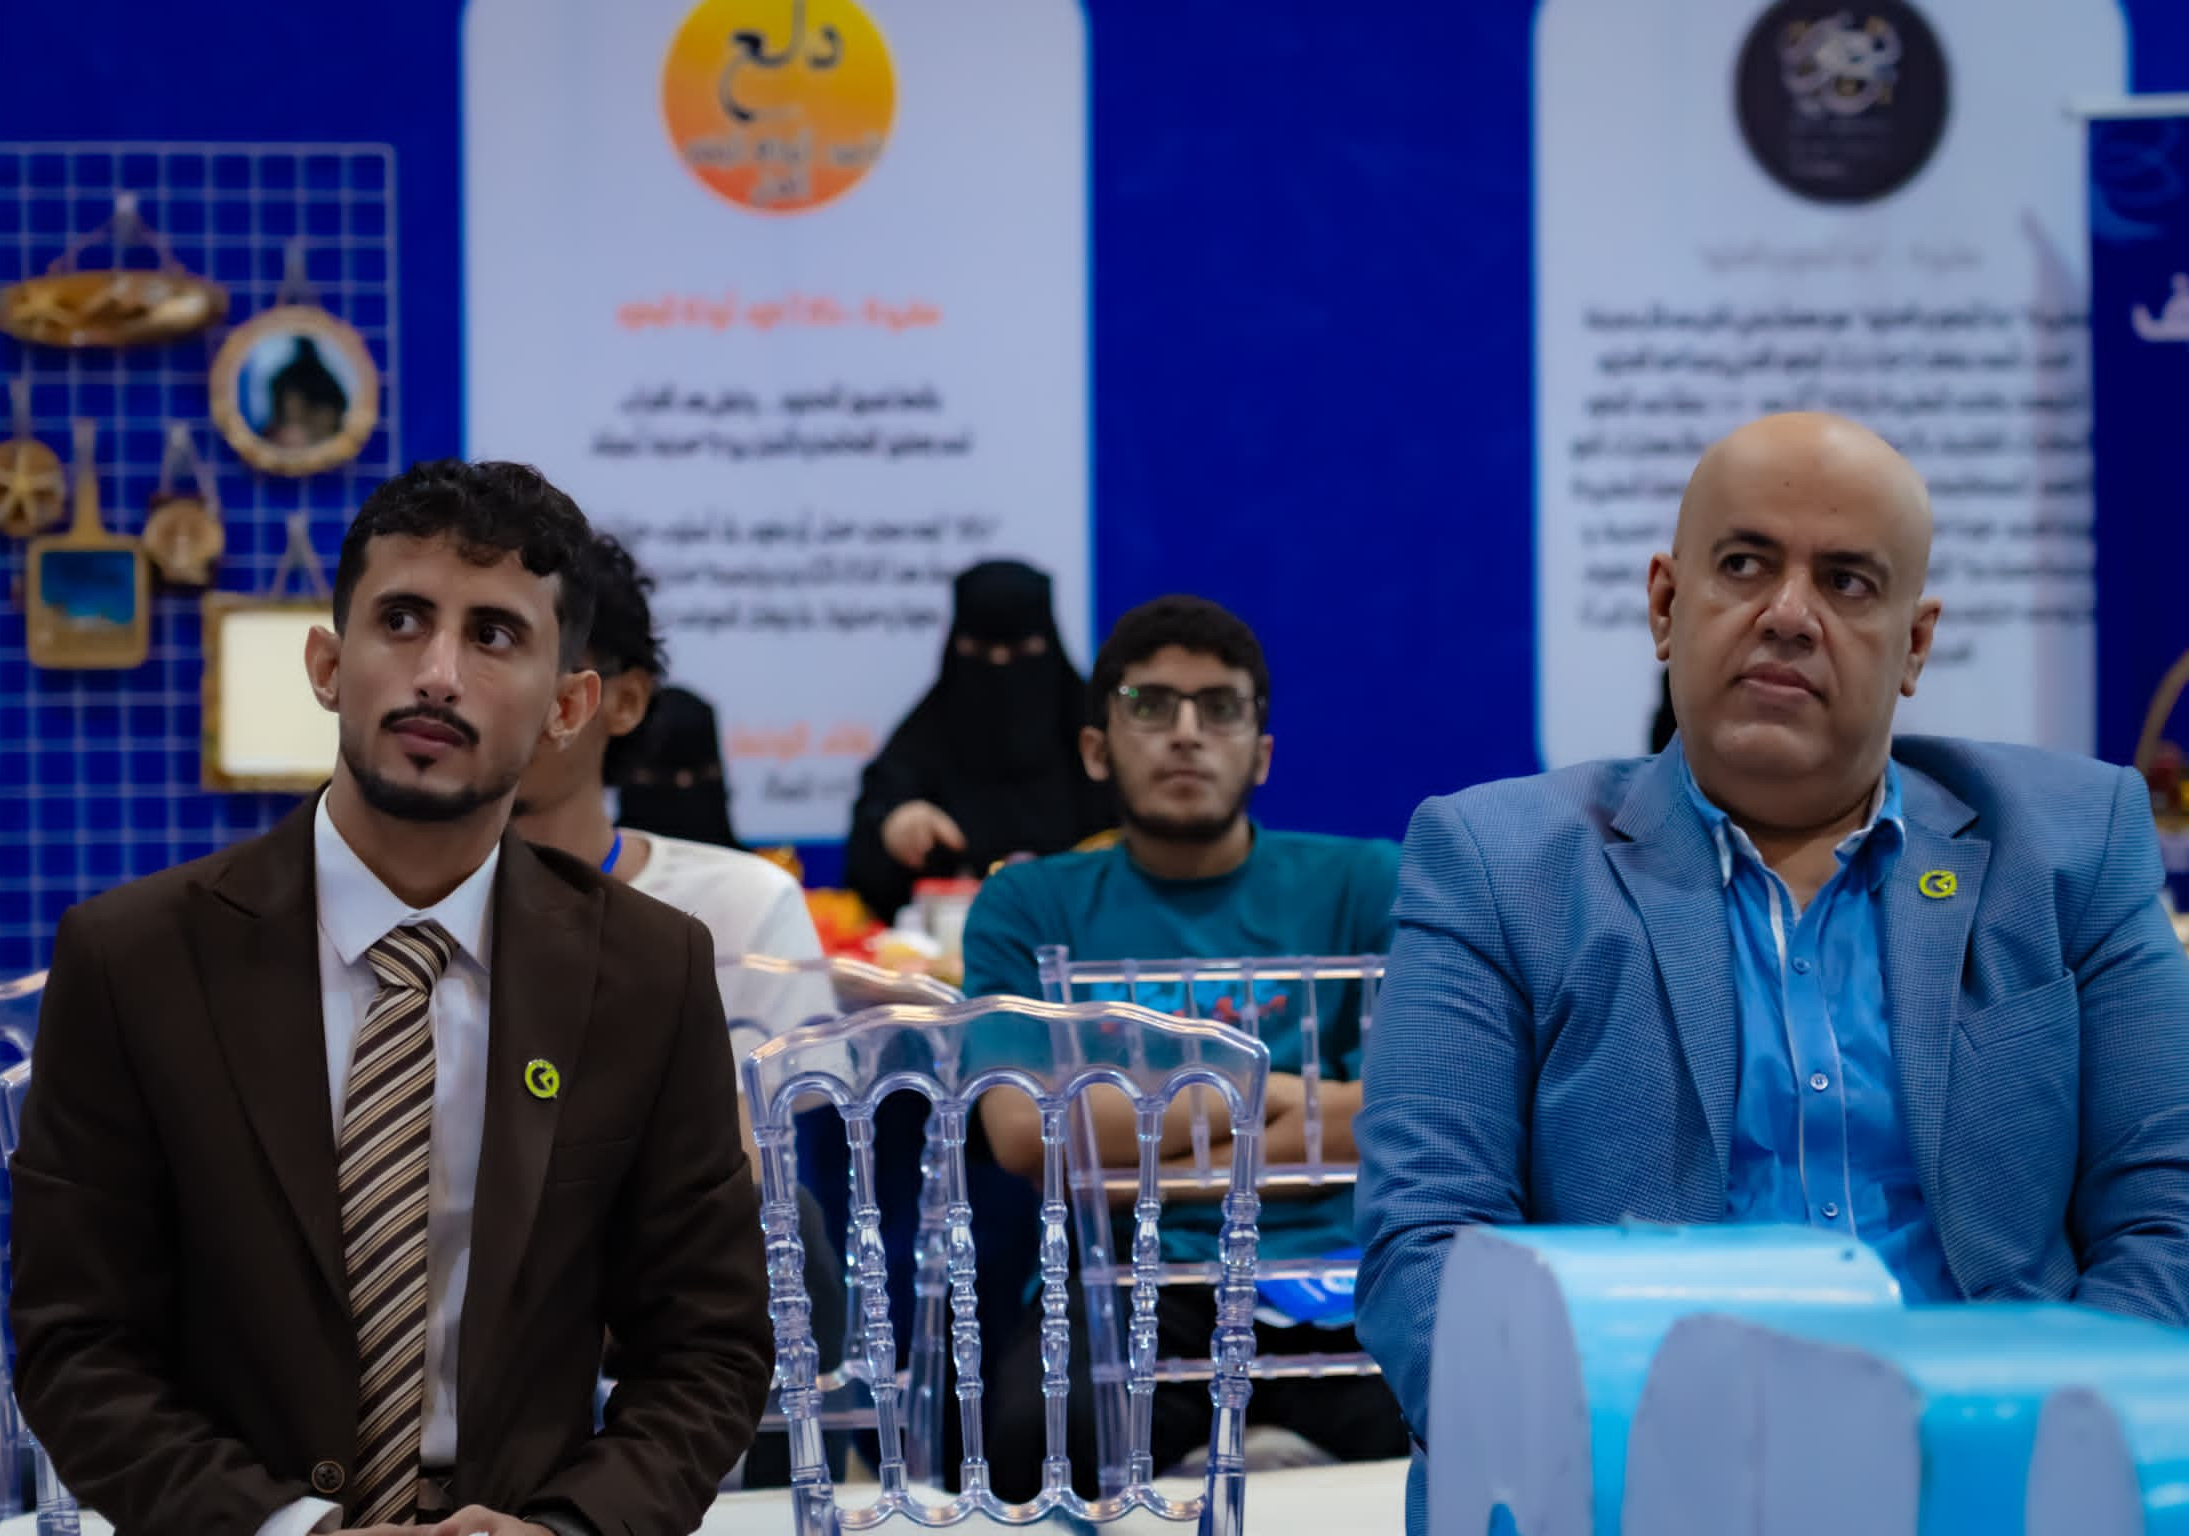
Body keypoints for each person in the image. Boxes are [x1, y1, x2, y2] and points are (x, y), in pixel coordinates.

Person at [1355, 412, 2189, 1531]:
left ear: (1915, 645)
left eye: (1847, 583)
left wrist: (2040, 1472)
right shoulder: (1499, 866)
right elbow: (1427, 1253)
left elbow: (2168, 1211)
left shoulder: (2072, 848)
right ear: (1666, 603)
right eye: (1745, 564)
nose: (1790, 615)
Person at [8, 460, 774, 1536]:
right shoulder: (135, 960)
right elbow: (76, 1345)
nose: (438, 675)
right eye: (402, 621)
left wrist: (569, 1528)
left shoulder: (648, 972)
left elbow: (709, 1348)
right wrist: (287, 1530)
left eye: (493, 635)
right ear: (328, 665)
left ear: (569, 706)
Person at [964, 595, 1410, 1499]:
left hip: (1339, 1275)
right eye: (1150, 705)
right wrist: (1260, 1091)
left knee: (1475, 1430)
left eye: (1219, 707)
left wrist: (1127, 1136)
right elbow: (1020, 1132)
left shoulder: (1365, 881)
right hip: (1127, 1279)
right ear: (1096, 748)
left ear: (1262, 752)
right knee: (1030, 1444)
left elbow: (1412, 1115)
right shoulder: (1029, 904)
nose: (1185, 733)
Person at [510, 533, 833, 1035]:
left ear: (626, 701)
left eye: (513, 649)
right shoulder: (403, 916)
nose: (457, 685)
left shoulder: (745, 912)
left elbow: (798, 1087)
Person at [844, 560, 1113, 922]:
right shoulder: (923, 739)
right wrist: (892, 826)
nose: (1001, 669)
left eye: (1021, 652)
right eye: (979, 653)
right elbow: (868, 870)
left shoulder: (1094, 740)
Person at [615, 685, 742, 850]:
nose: (684, 782)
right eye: (661, 777)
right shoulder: (597, 863)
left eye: (702, 775)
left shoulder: (752, 866)